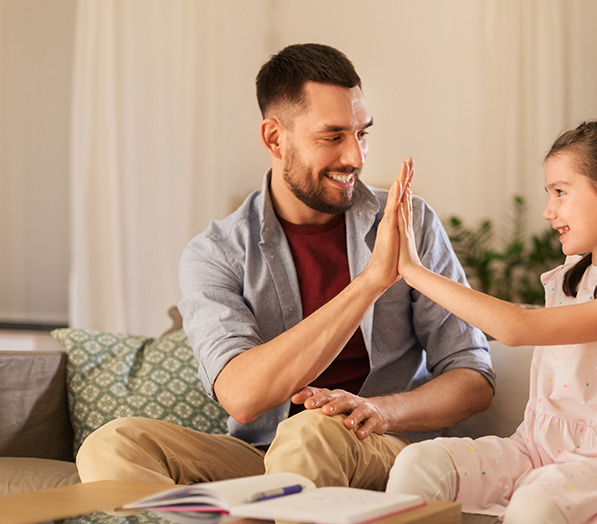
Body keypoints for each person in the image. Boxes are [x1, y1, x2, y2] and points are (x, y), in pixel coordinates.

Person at [76, 43, 495, 489]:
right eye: (333, 137)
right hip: (260, 454)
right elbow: (241, 396)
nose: (356, 156)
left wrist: (382, 411)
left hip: (378, 444)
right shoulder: (217, 252)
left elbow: (473, 376)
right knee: (112, 445)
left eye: (363, 133)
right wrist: (371, 282)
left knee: (309, 432)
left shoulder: (410, 224)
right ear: (275, 138)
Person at [384, 117, 597, 524]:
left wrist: (413, 270)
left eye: (560, 193)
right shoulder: (572, 277)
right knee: (420, 461)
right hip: (535, 450)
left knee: (536, 502)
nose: (549, 211)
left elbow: (517, 328)